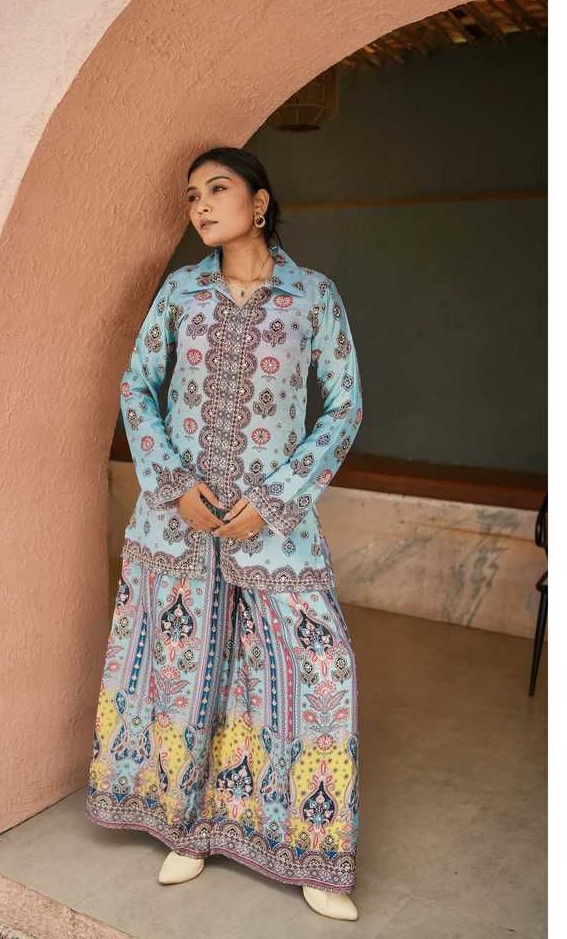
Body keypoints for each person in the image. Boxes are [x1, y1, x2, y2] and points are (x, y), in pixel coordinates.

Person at [86, 147, 363, 921]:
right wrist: (173, 486)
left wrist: (277, 498)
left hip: (275, 530)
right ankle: (188, 827)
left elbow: (343, 406)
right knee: (185, 670)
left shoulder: (313, 295)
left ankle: (315, 851)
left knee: (322, 667)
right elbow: (137, 386)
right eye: (191, 196)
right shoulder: (181, 292)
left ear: (260, 202)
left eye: (217, 189)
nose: (201, 205)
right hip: (177, 528)